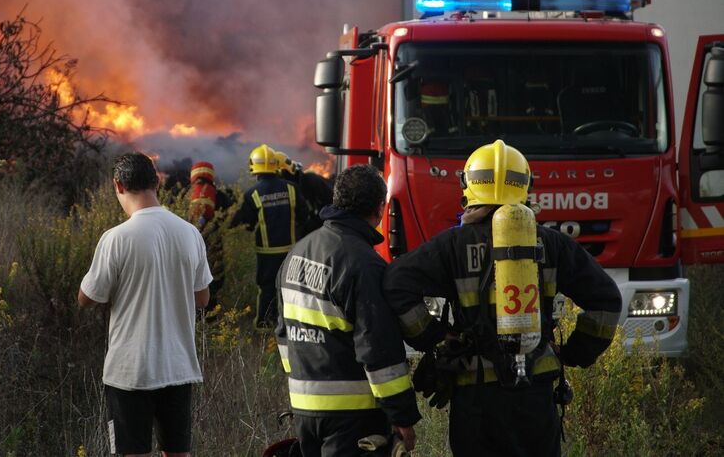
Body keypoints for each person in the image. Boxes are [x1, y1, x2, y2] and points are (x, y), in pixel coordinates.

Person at [383, 140, 622, 457]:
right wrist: (574, 352)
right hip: (534, 396)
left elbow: (395, 283)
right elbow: (606, 301)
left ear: (469, 186)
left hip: (475, 398)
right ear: (525, 187)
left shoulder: (451, 245)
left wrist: (433, 336)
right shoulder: (553, 244)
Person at [275, 164, 418, 456]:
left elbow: (283, 332)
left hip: (304, 409)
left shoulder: (297, 252)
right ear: (380, 209)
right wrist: (402, 415)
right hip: (353, 416)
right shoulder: (364, 264)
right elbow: (378, 349)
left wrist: (304, 381)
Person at [78, 152, 212, 457]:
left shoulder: (116, 238)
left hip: (131, 371)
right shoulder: (190, 233)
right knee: (179, 452)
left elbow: (87, 297)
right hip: (178, 367)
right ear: (157, 182)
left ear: (118, 186)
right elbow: (203, 298)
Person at [234, 144, 308, 328]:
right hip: (291, 250)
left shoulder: (252, 194)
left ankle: (264, 323)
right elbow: (304, 216)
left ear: (254, 167)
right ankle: (291, 324)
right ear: (275, 165)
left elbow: (247, 225)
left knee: (267, 288)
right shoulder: (291, 188)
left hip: (267, 253)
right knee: (291, 287)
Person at [187, 161, 230, 310]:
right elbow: (231, 216)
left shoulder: (187, 194)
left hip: (189, 240)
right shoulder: (218, 194)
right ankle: (211, 310)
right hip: (213, 239)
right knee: (214, 273)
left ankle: (194, 310)